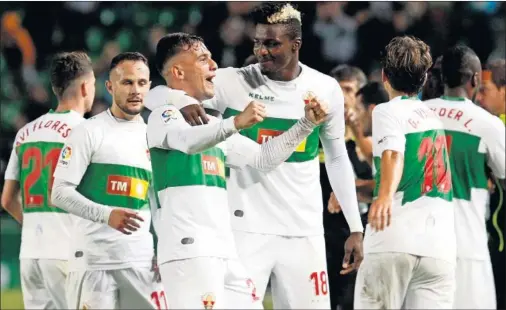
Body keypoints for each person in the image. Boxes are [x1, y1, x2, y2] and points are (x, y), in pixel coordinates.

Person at [172, 3, 365, 308]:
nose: (262, 51)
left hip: (304, 231)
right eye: (258, 42)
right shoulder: (231, 81)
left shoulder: (325, 88)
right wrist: (175, 99)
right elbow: (161, 89)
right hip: (244, 230)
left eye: (272, 43)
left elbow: (338, 158)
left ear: (295, 44)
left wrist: (355, 227)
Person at [146, 32, 329, 309]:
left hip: (225, 250)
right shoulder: (165, 115)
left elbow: (262, 159)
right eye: (203, 59)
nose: (214, 66)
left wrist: (305, 125)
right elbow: (186, 141)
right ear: (178, 71)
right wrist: (235, 124)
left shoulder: (213, 123)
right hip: (189, 249)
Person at [51, 52, 166, 310]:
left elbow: (157, 201)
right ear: (110, 86)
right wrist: (106, 215)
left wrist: (164, 247)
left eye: (141, 82)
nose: (135, 90)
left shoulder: (156, 137)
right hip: (94, 263)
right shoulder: (88, 132)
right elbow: (59, 193)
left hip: (141, 261)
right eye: (127, 82)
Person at [354, 36, 456, 309]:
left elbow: (393, 153)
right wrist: (359, 191)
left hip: (393, 239)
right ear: (423, 79)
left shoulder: (386, 112)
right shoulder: (434, 118)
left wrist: (384, 196)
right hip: (439, 248)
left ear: (384, 75)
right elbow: (413, 178)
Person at [1, 51, 94, 310]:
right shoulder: (87, 132)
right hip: (69, 252)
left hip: (31, 254)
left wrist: (35, 223)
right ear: (86, 86)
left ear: (55, 87)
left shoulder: (25, 132)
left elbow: (7, 199)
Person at [425, 45, 505, 309]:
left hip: (422, 242)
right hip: (467, 244)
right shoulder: (488, 124)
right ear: (475, 80)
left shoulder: (417, 115)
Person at [323, 64, 367, 310]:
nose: (343, 98)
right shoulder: (319, 132)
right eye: (338, 91)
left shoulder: (372, 134)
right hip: (324, 232)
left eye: (348, 90)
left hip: (360, 231)